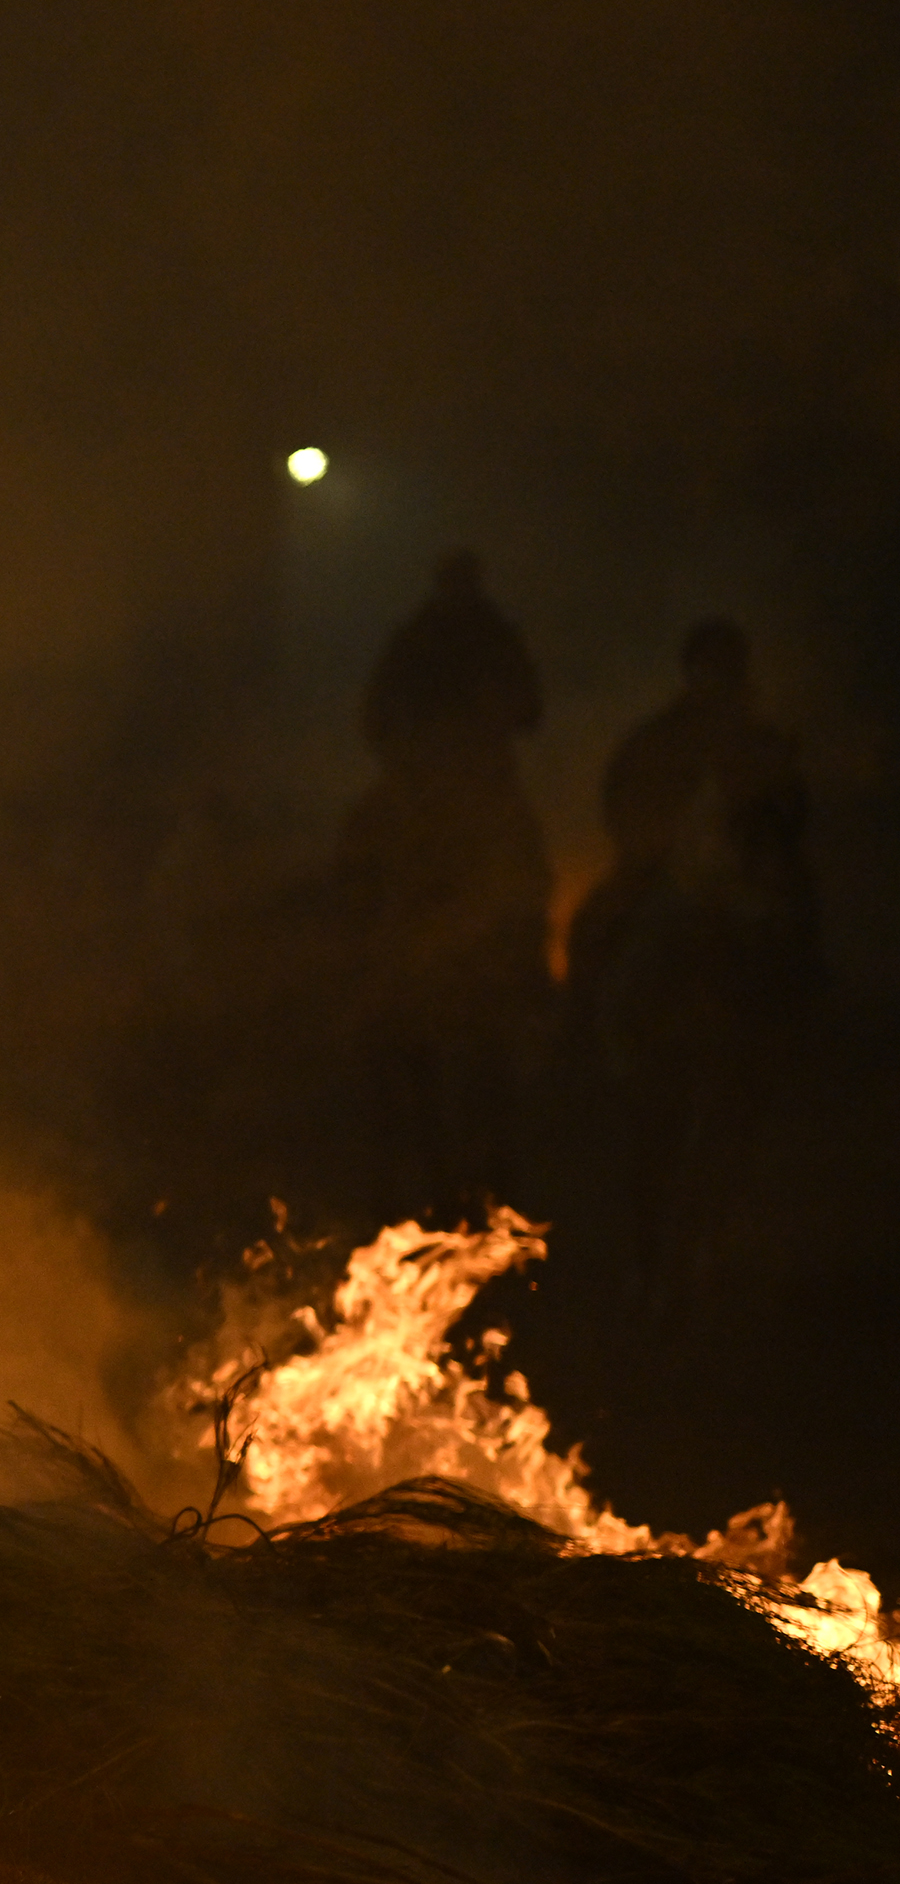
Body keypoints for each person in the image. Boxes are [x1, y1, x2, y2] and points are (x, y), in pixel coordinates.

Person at [564, 618, 819, 1320]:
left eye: (724, 667)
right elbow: (624, 803)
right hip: (676, 887)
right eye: (709, 666)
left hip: (737, 895)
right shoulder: (664, 739)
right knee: (616, 948)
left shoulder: (761, 743)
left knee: (793, 949)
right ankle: (602, 1047)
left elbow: (789, 831)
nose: (717, 678)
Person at [332, 551, 555, 1217]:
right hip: (435, 776)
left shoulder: (483, 637)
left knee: (516, 870)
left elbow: (528, 708)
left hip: (475, 778)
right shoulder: (425, 640)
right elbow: (379, 718)